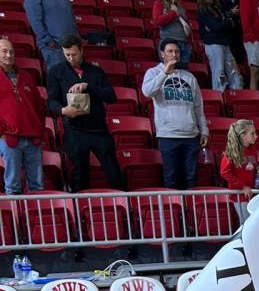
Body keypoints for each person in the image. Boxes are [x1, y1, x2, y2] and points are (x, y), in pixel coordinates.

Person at [46, 35, 126, 192]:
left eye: (74, 54)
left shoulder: (96, 72)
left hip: (98, 130)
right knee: (79, 176)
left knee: (114, 174)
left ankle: (124, 206)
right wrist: (63, 110)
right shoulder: (56, 72)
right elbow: (51, 101)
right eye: (67, 54)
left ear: (81, 50)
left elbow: (111, 96)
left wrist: (89, 87)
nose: (70, 58)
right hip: (74, 130)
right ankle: (78, 212)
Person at [141, 40, 209, 190]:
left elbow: (198, 106)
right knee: (171, 177)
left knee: (191, 178)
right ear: (162, 53)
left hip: (191, 135)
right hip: (168, 135)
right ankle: (173, 211)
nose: (174, 54)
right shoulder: (153, 72)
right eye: (170, 51)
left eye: (176, 51)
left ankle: (191, 211)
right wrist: (165, 73)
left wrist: (204, 130)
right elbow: (147, 92)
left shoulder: (189, 77)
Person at [0, 36, 44, 194]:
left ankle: (37, 218)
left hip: (33, 138)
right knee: (12, 185)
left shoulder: (26, 76)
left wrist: (39, 130)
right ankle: (15, 218)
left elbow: (39, 106)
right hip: (10, 139)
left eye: (11, 51)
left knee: (37, 185)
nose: (9, 55)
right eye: (4, 51)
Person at [23, 0, 78, 72]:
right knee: (59, 81)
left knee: (74, 83)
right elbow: (35, 21)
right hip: (54, 48)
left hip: (72, 47)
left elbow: (72, 20)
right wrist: (47, 40)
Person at [197, 0, 243, 93]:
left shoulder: (218, 7)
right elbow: (216, 27)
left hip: (224, 43)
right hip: (214, 45)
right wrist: (227, 22)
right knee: (219, 73)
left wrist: (225, 23)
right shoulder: (202, 9)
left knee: (234, 72)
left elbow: (222, 26)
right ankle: (219, 98)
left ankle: (237, 96)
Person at [219, 119, 259, 197]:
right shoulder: (231, 152)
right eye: (252, 134)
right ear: (243, 136)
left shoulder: (253, 149)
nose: (256, 136)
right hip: (239, 195)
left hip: (252, 192)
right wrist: (242, 186)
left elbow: (253, 168)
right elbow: (224, 172)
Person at [151, 0, 191, 64]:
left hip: (183, 43)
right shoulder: (159, 4)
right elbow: (157, 21)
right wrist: (173, 13)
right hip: (169, 44)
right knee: (171, 71)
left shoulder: (179, 6)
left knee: (183, 71)